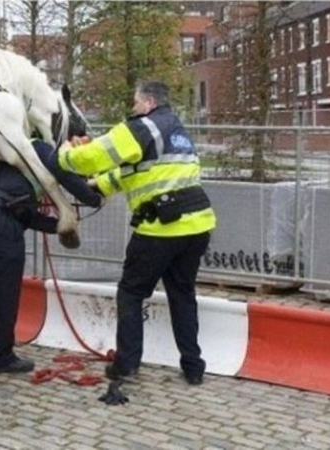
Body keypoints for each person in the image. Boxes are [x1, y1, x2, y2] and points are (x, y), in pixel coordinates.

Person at [57, 80, 217, 385]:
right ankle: (194, 366)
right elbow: (140, 172)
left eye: (135, 102)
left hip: (160, 229)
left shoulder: (143, 126)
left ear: (149, 102)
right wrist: (99, 185)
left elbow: (93, 157)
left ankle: (126, 364)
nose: (133, 108)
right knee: (182, 295)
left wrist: (65, 154)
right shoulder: (176, 131)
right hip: (197, 226)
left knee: (131, 293)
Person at [0, 135, 103, 374]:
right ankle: (0, 357)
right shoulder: (42, 149)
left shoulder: (14, 154)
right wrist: (94, 198)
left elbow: (23, 213)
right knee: (6, 293)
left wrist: (59, 224)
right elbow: (70, 181)